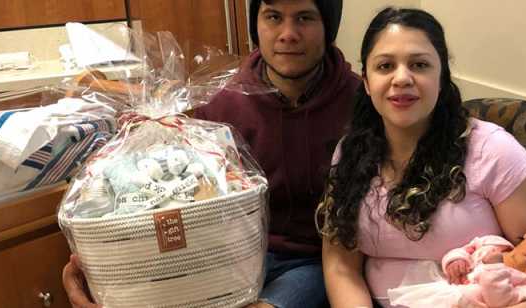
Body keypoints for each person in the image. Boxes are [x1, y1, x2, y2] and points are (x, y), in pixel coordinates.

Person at [61, 0, 361, 308]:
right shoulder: (223, 103)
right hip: (225, 259)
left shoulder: (360, 104)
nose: (287, 33)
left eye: (304, 18)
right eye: (273, 16)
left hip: (311, 263)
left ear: (329, 27)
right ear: (255, 25)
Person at [315, 7, 526, 308]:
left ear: (442, 77)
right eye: (385, 66)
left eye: (419, 65)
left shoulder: (493, 151)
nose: (401, 78)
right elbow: (341, 266)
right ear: (366, 81)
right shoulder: (350, 152)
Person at [387, 223, 526, 308]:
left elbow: (499, 301)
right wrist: (456, 261)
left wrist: (495, 269)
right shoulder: (493, 242)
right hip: (444, 292)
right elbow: (465, 250)